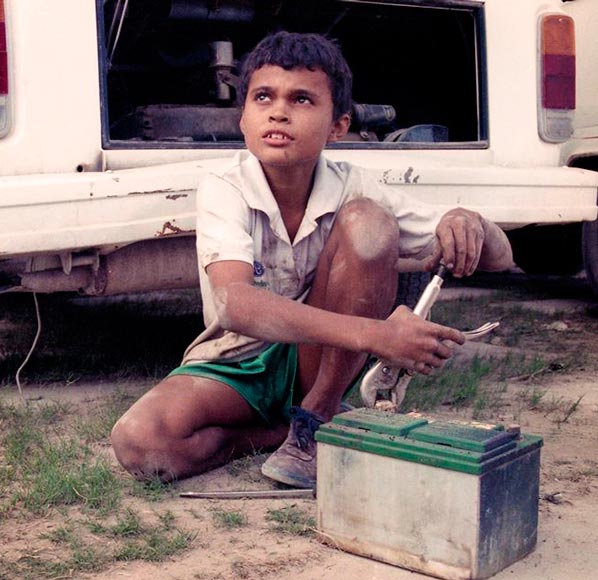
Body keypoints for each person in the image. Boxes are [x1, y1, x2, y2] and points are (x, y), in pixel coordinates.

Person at [110, 31, 513, 488]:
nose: (278, 111)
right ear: (243, 117)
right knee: (140, 443)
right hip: (234, 359)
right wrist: (380, 335)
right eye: (263, 97)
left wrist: (469, 222)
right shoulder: (224, 187)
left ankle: (318, 416)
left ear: (338, 125)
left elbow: (501, 257)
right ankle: (283, 433)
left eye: (302, 99)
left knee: (368, 220)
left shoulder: (354, 185)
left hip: (318, 363)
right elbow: (234, 305)